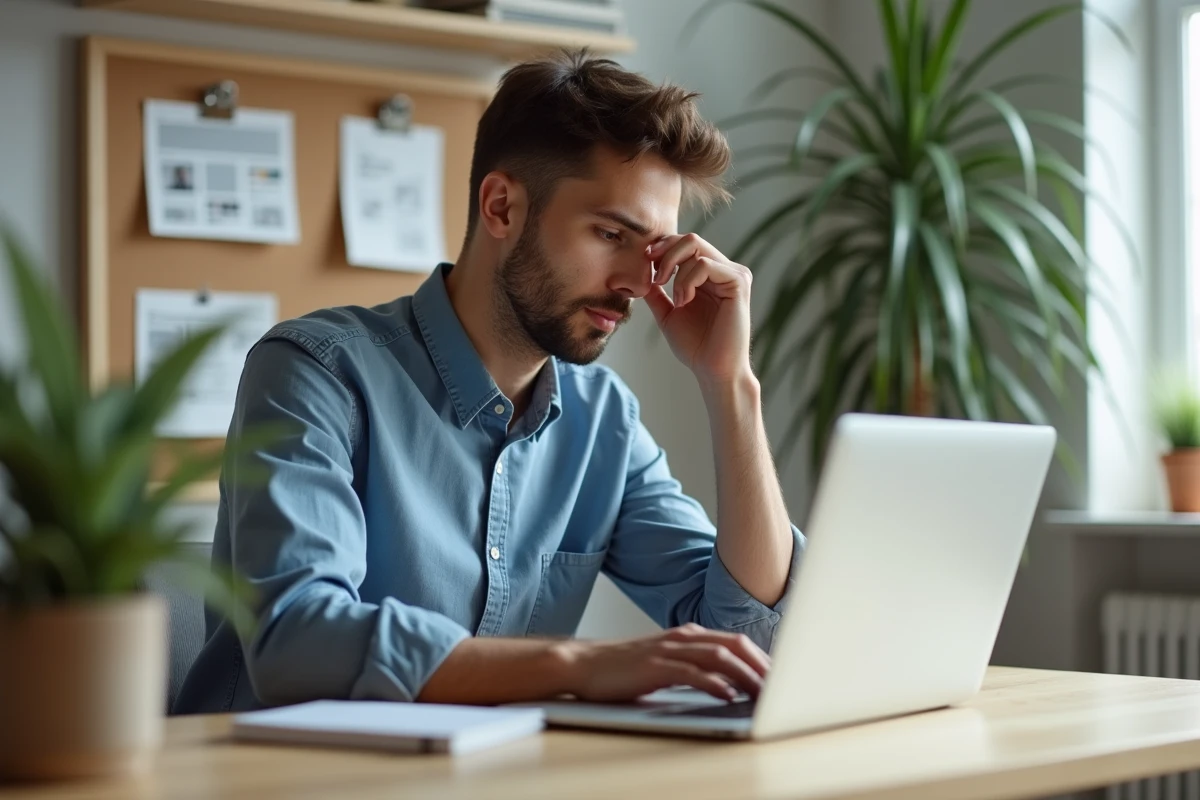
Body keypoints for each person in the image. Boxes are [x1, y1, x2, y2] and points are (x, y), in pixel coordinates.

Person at [173, 50, 805, 714]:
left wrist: (731, 384)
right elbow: (296, 639)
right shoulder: (317, 372)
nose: (636, 284)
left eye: (653, 252)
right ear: (502, 207)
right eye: (609, 233)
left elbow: (749, 638)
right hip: (278, 767)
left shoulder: (603, 423)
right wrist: (578, 665)